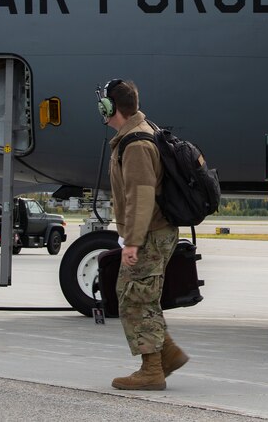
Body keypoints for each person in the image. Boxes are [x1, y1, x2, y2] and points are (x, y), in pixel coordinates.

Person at [98, 78, 188, 390]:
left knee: (135, 300)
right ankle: (168, 355)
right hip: (152, 231)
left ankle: (152, 370)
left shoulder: (136, 143)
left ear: (110, 108)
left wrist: (132, 241)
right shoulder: (138, 133)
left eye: (103, 103)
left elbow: (141, 195)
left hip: (149, 234)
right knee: (139, 295)